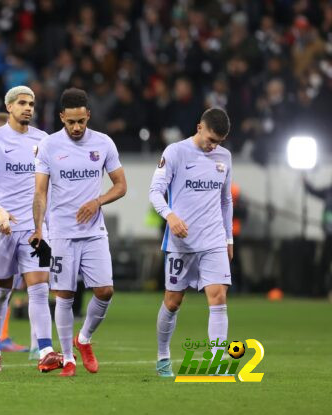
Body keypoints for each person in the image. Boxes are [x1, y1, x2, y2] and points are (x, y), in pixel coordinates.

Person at [32, 88, 127, 377]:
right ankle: (69, 359)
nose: (76, 127)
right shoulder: (49, 146)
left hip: (94, 231)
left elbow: (121, 185)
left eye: (81, 122)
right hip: (61, 233)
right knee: (64, 295)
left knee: (105, 291)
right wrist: (39, 227)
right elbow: (40, 192)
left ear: (88, 116)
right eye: (71, 122)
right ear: (62, 117)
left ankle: (83, 338)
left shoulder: (103, 143)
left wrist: (98, 201)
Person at [0, 85, 60, 373]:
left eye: (32, 103)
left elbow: (50, 185)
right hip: (3, 229)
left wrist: (48, 222)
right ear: (9, 106)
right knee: (1, 292)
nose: (28, 108)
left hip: (34, 228)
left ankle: (46, 350)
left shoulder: (44, 140)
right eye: (22, 103)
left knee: (39, 288)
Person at [148, 107, 233, 377]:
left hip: (213, 239)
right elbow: (155, 192)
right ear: (199, 127)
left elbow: (225, 200)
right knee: (173, 302)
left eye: (218, 142)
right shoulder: (175, 152)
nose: (213, 145)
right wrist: (170, 216)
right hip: (181, 242)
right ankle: (163, 357)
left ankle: (218, 363)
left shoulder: (225, 157)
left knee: (218, 297)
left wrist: (228, 237)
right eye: (210, 139)